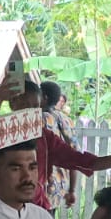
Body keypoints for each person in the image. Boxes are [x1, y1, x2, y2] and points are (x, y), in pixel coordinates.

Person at [0, 78, 111, 211]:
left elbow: (86, 162)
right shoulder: (0, 133)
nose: (31, 112)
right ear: (13, 103)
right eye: (25, 105)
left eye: (35, 107)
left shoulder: (46, 138)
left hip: (36, 206)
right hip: (2, 208)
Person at [40, 81, 79, 209]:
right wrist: (72, 190)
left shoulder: (40, 119)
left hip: (42, 184)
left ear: (44, 97)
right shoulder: (66, 120)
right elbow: (75, 157)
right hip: (59, 185)